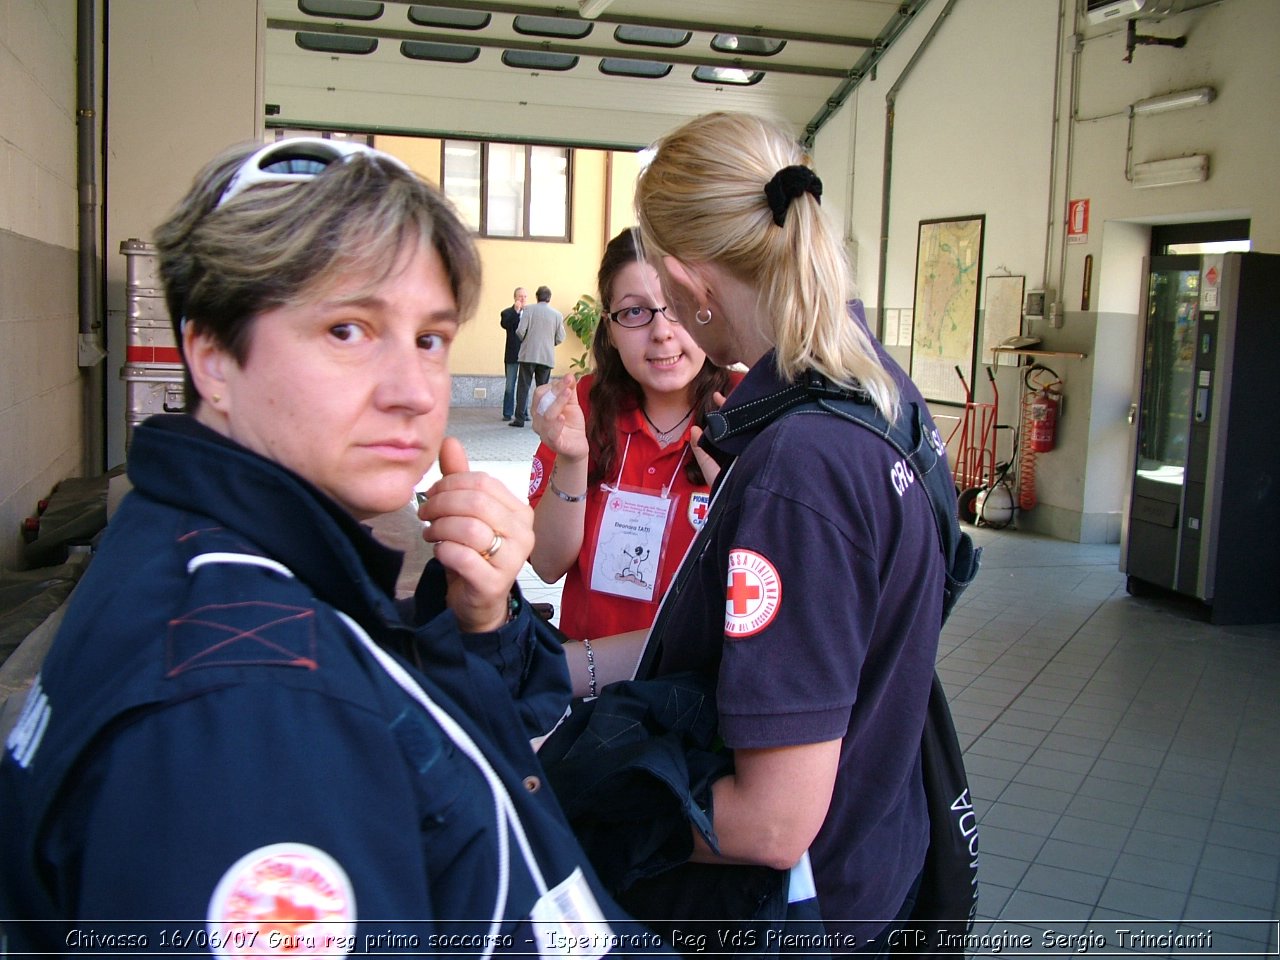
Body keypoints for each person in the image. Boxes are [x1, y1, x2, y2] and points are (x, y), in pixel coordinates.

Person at [0, 137, 664, 955]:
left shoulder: (210, 550)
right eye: (348, 329)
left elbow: (437, 790)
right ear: (211, 354)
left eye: (429, 338)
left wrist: (478, 624)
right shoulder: (249, 704)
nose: (415, 391)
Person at [565, 112, 952, 951]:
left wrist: (564, 808)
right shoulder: (885, 399)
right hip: (878, 858)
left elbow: (773, 823)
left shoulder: (799, 464)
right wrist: (567, 669)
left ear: (684, 280)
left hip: (798, 911)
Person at [526, 228, 736, 643]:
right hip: (588, 690)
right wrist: (571, 459)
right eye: (635, 312)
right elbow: (547, 565)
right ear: (610, 328)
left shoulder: (748, 408)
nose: (661, 332)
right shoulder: (580, 405)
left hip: (698, 690)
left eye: (679, 305)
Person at [509, 285, 564, 427]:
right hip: (546, 357)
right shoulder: (557, 315)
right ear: (549, 298)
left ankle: (520, 419)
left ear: (536, 296)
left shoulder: (529, 310)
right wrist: (549, 344)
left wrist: (528, 340)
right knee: (543, 389)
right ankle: (542, 420)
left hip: (528, 355)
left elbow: (520, 331)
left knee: (523, 386)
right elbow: (561, 337)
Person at [500, 286, 527, 421]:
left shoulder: (529, 313)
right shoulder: (507, 313)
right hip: (512, 354)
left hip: (526, 355)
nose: (523, 299)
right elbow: (506, 325)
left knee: (524, 386)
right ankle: (507, 412)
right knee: (510, 385)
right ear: (515, 298)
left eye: (525, 297)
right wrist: (516, 312)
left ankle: (523, 413)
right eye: (520, 296)